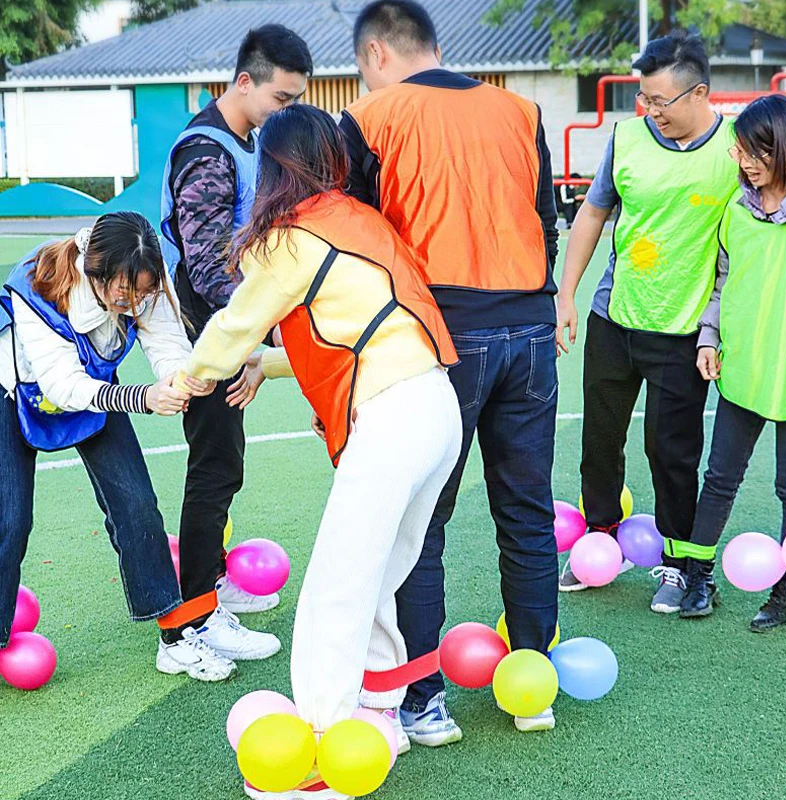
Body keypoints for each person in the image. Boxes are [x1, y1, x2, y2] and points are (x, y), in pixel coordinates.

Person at [180, 103, 462, 800]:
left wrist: (189, 378)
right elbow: (349, 326)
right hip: (435, 406)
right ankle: (379, 710)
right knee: (376, 573)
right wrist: (263, 366)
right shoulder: (360, 219)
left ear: (273, 166)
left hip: (394, 416)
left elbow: (236, 323)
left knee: (337, 585)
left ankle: (318, 748)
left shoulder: (290, 238)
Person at [341, 0, 560, 739]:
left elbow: (356, 241)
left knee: (419, 522)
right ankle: (536, 682)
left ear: (375, 54)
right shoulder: (520, 109)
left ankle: (422, 698)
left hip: (439, 335)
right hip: (529, 326)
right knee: (526, 511)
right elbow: (543, 219)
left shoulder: (370, 117)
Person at [0, 212, 234, 681]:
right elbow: (64, 388)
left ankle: (173, 636)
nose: (136, 302)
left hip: (92, 387)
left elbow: (165, 341)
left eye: (145, 291)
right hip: (14, 391)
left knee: (137, 506)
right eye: (126, 293)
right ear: (96, 273)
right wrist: (146, 398)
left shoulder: (145, 273)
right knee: (9, 521)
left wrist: (181, 376)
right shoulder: (36, 282)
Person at [556, 32, 740, 612]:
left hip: (685, 330)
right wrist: (566, 295)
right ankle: (599, 543)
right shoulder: (627, 138)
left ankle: (683, 564)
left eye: (660, 101)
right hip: (615, 317)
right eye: (644, 99)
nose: (650, 111)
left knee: (673, 450)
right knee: (599, 441)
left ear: (699, 93)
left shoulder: (738, 146)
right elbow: (592, 213)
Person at [159, 25, 312, 651]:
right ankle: (195, 616)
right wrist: (251, 345)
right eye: (281, 99)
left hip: (235, 327)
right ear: (244, 82)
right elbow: (207, 267)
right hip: (208, 332)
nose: (288, 112)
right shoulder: (206, 152)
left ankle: (212, 583)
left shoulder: (250, 138)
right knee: (214, 466)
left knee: (226, 463)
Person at [680, 95, 786, 630]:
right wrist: (710, 338)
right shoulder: (737, 210)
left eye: (762, 151)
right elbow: (721, 285)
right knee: (721, 476)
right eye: (745, 151)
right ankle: (698, 574)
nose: (749, 162)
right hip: (743, 366)